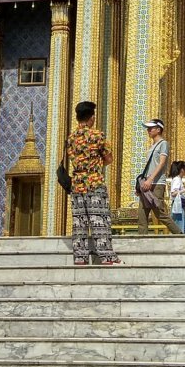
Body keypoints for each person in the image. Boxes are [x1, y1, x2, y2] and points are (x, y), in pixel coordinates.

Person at [66, 101, 121, 266]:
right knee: (100, 220)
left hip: (76, 183)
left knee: (79, 221)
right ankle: (106, 256)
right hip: (94, 182)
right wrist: (95, 164)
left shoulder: (71, 138)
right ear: (91, 118)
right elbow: (109, 158)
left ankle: (80, 257)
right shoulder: (97, 135)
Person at [136, 119, 182, 234]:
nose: (148, 130)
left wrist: (151, 179)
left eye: (151, 128)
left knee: (159, 213)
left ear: (158, 129)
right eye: (148, 128)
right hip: (147, 183)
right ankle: (142, 241)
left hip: (157, 183)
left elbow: (161, 163)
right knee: (142, 213)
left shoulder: (163, 144)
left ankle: (179, 234)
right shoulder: (152, 146)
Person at [169, 160, 185, 234]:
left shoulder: (178, 179)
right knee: (179, 230)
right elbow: (173, 193)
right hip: (178, 207)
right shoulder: (176, 179)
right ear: (182, 170)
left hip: (181, 206)